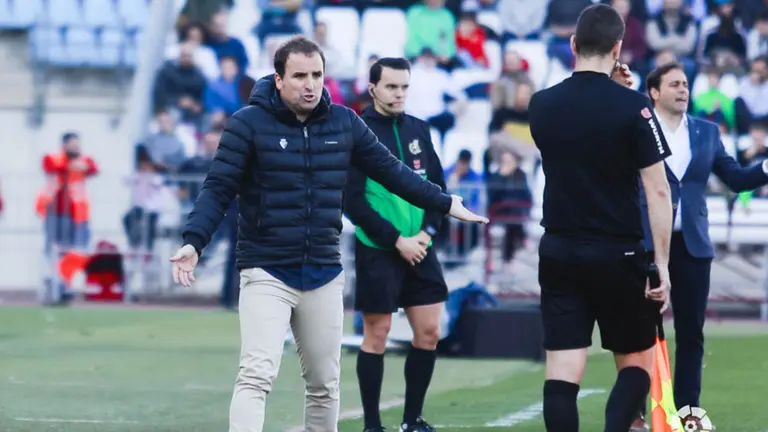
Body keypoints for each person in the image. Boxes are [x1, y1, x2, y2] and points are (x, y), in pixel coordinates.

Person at [168, 36, 487, 432]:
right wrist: (194, 241)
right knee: (256, 375)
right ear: (279, 79)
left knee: (324, 385)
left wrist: (444, 202)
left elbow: (393, 173)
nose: (310, 84)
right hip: (267, 270)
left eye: (317, 75)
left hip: (323, 272)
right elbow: (218, 188)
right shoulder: (247, 124)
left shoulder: (344, 122)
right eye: (300, 76)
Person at [527, 5, 675, 432]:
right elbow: (658, 190)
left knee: (562, 372)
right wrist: (662, 264)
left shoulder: (541, 104)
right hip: (618, 252)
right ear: (618, 48)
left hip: (559, 249)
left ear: (573, 44)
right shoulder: (635, 108)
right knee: (636, 364)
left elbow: (579, 136)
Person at [631, 62, 768, 430]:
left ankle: (688, 411)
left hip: (692, 245)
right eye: (674, 84)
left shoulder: (706, 132)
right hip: (646, 243)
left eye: (685, 84)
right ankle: (636, 412)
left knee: (691, 332)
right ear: (654, 92)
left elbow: (735, 178)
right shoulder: (638, 129)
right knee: (640, 332)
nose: (683, 90)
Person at [344, 57, 447, 432]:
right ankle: (372, 425)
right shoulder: (357, 133)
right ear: (373, 89)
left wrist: (426, 234)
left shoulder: (419, 129)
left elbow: (438, 189)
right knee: (377, 334)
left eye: (404, 87)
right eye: (391, 86)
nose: (399, 93)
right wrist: (396, 239)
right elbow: (352, 201)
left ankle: (411, 420)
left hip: (420, 246)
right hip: (378, 247)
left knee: (429, 333)